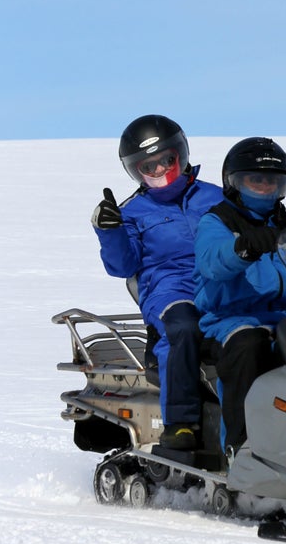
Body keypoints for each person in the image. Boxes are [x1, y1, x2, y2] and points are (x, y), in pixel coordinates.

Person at [91, 114, 223, 450]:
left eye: (167, 160)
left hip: (223, 285)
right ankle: (180, 425)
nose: (161, 171)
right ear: (136, 171)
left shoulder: (218, 197)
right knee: (183, 326)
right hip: (170, 290)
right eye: (150, 167)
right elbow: (123, 265)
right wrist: (109, 230)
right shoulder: (133, 212)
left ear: (181, 154)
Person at [193, 137, 286, 453]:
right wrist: (243, 248)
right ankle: (242, 449)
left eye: (272, 180)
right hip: (232, 321)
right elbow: (212, 260)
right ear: (234, 182)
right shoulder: (217, 221)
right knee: (250, 347)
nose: (264, 186)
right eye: (255, 179)